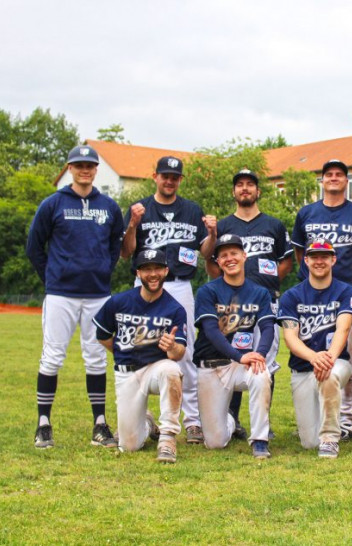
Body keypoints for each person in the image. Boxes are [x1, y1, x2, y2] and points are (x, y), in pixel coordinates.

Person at [26, 144, 124, 449]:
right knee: (52, 356)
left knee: (95, 358)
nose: (85, 170)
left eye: (90, 165)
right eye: (79, 165)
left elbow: (115, 247)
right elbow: (34, 247)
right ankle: (43, 424)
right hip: (61, 295)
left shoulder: (108, 206)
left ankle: (99, 423)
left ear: (95, 169)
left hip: (96, 294)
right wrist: (54, 277)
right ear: (70, 168)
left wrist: (103, 271)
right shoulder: (53, 203)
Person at [121, 156, 217, 444]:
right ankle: (139, 417)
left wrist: (213, 233)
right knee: (139, 346)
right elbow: (126, 253)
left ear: (180, 180)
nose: (169, 180)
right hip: (144, 285)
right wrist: (133, 225)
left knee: (183, 352)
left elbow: (205, 252)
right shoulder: (140, 208)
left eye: (174, 176)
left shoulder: (191, 210)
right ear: (155, 176)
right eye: (165, 175)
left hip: (180, 286)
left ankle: (192, 421)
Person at [291, 159, 352, 440]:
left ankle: (346, 420)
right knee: (309, 343)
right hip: (310, 291)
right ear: (322, 180)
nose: (334, 178)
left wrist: (347, 276)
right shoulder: (307, 213)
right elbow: (300, 254)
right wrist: (313, 276)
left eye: (340, 174)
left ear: (347, 181)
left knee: (347, 355)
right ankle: (317, 411)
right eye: (329, 174)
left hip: (347, 288)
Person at [209, 169, 294, 439]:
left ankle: (263, 423)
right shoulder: (222, 226)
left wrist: (265, 282)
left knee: (265, 360)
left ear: (258, 191)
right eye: (240, 185)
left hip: (266, 301)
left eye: (250, 185)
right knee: (235, 357)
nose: (245, 189)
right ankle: (232, 419)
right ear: (234, 192)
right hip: (231, 305)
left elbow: (287, 260)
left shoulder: (274, 225)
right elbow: (211, 263)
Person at [93, 249, 187, 463]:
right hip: (127, 372)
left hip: (156, 368)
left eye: (157, 268)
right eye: (146, 269)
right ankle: (146, 424)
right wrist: (123, 351)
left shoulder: (174, 309)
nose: (152, 274)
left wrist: (171, 347)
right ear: (138, 273)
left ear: (166, 271)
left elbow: (179, 352)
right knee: (129, 445)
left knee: (171, 369)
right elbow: (103, 335)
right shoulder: (119, 302)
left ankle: (167, 439)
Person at [193, 234, 274, 458]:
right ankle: (230, 418)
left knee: (261, 373)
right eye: (224, 255)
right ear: (217, 262)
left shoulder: (259, 292)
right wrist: (239, 356)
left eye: (234, 253)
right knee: (216, 442)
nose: (230, 258)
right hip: (211, 365)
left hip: (241, 365)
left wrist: (260, 354)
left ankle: (260, 439)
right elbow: (211, 331)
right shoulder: (208, 291)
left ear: (244, 256)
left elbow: (268, 327)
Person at [278, 240, 352, 458]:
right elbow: (290, 338)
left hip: (336, 363)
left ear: (333, 259)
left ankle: (331, 438)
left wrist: (328, 359)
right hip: (303, 369)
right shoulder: (291, 296)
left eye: (325, 256)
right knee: (308, 443)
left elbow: (343, 329)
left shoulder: (346, 291)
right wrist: (315, 358)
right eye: (314, 256)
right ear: (306, 260)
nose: (319, 261)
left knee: (329, 375)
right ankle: (320, 434)